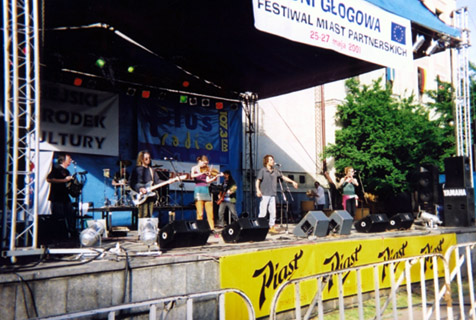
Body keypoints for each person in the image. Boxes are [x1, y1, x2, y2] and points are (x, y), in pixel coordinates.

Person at [255, 155, 298, 234]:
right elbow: (258, 181)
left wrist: (292, 182)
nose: (273, 161)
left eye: (273, 160)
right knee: (263, 212)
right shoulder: (263, 170)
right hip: (264, 194)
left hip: (273, 194)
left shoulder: (275, 171)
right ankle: (259, 227)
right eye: (271, 160)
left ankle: (271, 227)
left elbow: (283, 177)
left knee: (273, 212)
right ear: (266, 161)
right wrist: (258, 190)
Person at [46, 153, 76, 239]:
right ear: (63, 160)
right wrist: (64, 180)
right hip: (57, 197)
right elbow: (49, 179)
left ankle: (71, 232)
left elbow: (67, 183)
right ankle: (58, 235)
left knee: (70, 214)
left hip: (65, 196)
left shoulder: (66, 171)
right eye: (69, 159)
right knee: (59, 216)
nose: (70, 160)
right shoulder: (56, 169)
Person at [191, 155, 221, 232]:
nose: (206, 165)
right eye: (204, 163)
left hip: (205, 189)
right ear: (200, 161)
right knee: (200, 213)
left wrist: (214, 178)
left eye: (206, 164)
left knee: (210, 211)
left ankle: (212, 229)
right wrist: (201, 173)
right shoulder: (194, 168)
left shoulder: (205, 170)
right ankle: (199, 228)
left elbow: (207, 180)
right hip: (198, 189)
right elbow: (192, 176)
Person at [130, 150, 161, 218]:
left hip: (150, 196)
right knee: (143, 216)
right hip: (141, 196)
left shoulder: (152, 170)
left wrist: (169, 181)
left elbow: (157, 181)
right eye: (146, 158)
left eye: (149, 158)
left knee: (149, 216)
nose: (148, 160)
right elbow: (132, 183)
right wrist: (140, 188)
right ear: (141, 159)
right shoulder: (137, 170)